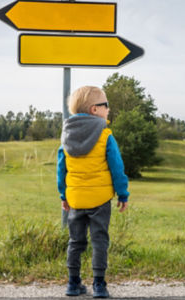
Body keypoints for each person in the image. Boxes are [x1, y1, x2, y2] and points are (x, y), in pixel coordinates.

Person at [57, 86, 129, 298]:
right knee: (99, 240)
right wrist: (123, 193)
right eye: (106, 106)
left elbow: (61, 169)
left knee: (75, 242)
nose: (109, 110)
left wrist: (64, 195)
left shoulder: (66, 136)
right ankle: (99, 284)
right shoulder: (105, 135)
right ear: (95, 109)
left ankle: (73, 283)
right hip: (100, 200)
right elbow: (117, 167)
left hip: (76, 199)